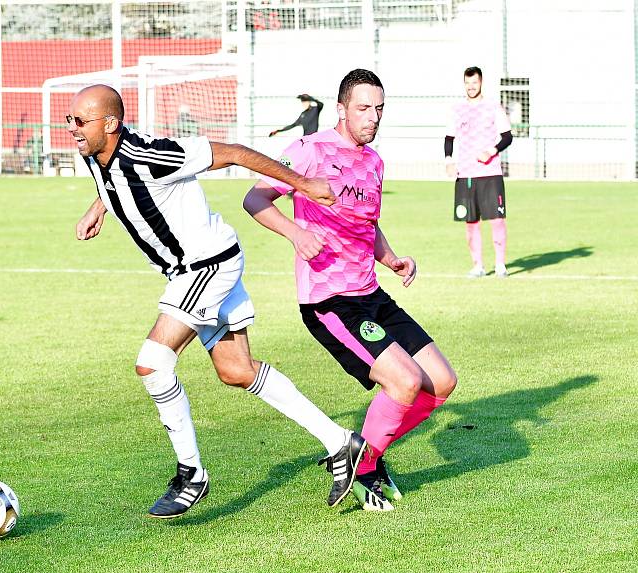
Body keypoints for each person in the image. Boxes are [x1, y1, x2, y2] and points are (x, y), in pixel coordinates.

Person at [68, 84, 367, 519]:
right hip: (198, 267)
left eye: (80, 121)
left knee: (152, 363)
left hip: (206, 266)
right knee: (237, 370)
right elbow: (113, 180)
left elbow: (233, 152)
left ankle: (191, 474)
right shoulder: (95, 154)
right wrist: (100, 207)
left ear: (110, 124)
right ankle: (341, 442)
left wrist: (302, 183)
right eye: (70, 119)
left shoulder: (151, 153)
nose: (71, 129)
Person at [244, 69, 457, 512]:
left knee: (440, 383)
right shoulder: (307, 151)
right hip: (330, 301)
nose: (373, 117)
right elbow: (255, 200)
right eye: (363, 108)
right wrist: (296, 234)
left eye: (379, 109)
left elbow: (367, 224)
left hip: (371, 292)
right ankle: (365, 467)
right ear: (341, 109)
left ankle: (366, 456)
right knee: (404, 381)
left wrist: (392, 258)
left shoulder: (374, 162)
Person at [445, 66, 513, 278]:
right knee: (470, 222)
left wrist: (492, 151)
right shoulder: (457, 109)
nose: (471, 86)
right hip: (466, 175)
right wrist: (449, 160)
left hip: (490, 173)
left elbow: (507, 136)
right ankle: (478, 266)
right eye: (467, 83)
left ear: (481, 82)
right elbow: (449, 138)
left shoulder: (493, 106)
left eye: (474, 83)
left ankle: (500, 264)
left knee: (497, 220)